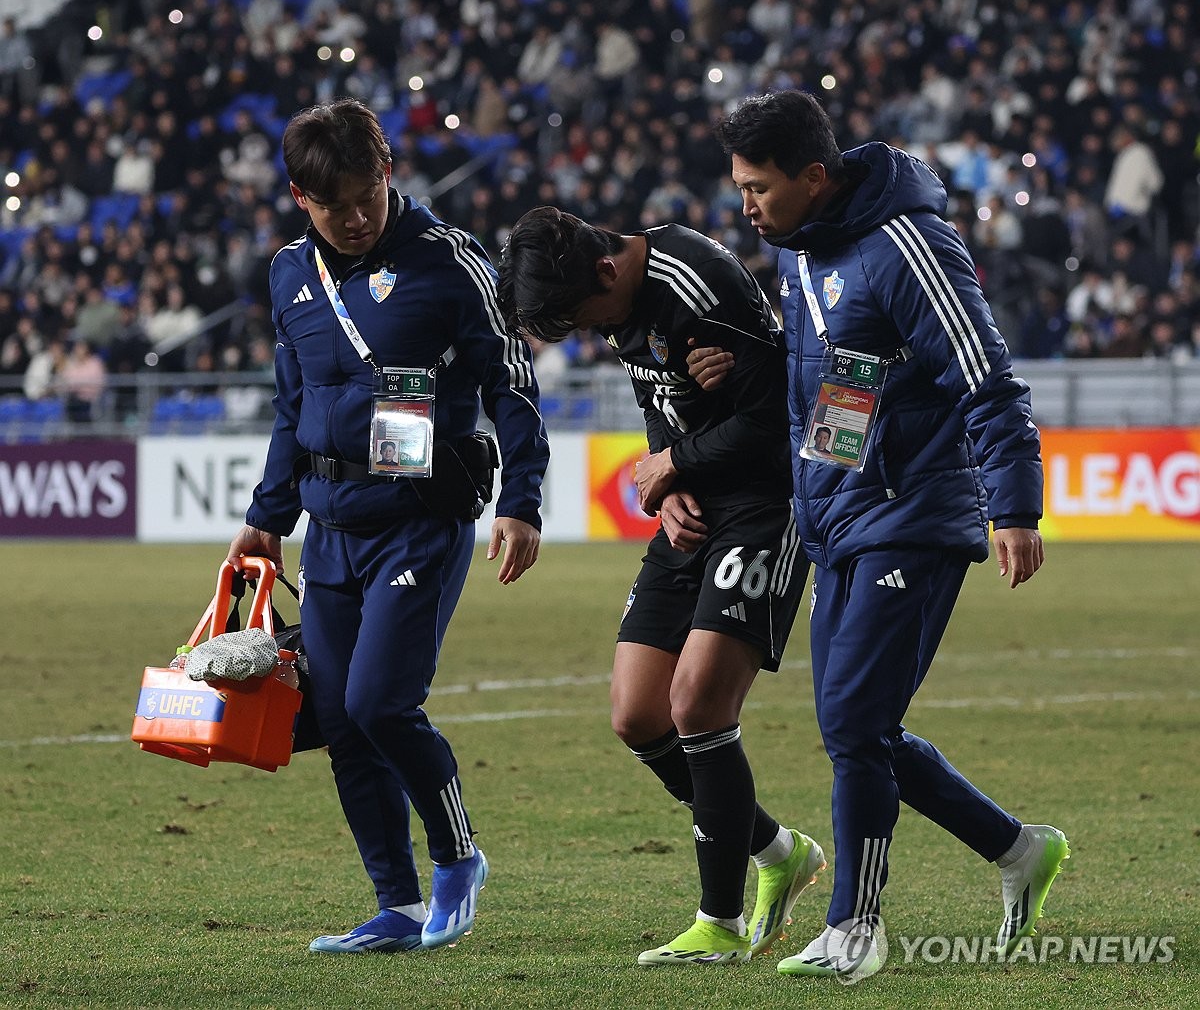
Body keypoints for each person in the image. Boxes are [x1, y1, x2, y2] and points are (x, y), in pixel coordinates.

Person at [688, 90, 1068, 980]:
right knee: (862, 728)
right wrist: (749, 365)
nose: (746, 205)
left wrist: (1015, 507)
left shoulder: (908, 244)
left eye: (759, 187)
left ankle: (854, 926)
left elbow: (988, 378)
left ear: (814, 178)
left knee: (855, 725)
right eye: (739, 187)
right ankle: (1017, 849)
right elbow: (826, 375)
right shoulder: (803, 251)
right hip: (839, 518)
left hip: (914, 513)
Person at [226, 99, 549, 955]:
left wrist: (522, 499)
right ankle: (395, 906)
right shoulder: (290, 275)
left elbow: (511, 383)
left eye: (370, 194)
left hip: (419, 518)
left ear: (389, 173)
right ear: (302, 196)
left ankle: (458, 856)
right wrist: (268, 517)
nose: (359, 217)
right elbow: (291, 405)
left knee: (379, 703)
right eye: (338, 206)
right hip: (330, 528)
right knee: (338, 718)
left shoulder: (452, 262)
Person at [497, 205, 822, 967]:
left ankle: (721, 920)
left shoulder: (700, 286)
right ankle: (779, 851)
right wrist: (664, 481)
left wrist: (676, 463)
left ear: (605, 271)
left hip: (762, 508)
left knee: (698, 703)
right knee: (639, 713)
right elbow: (659, 399)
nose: (589, 334)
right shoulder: (614, 292)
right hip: (693, 508)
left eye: (584, 319)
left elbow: (778, 419)